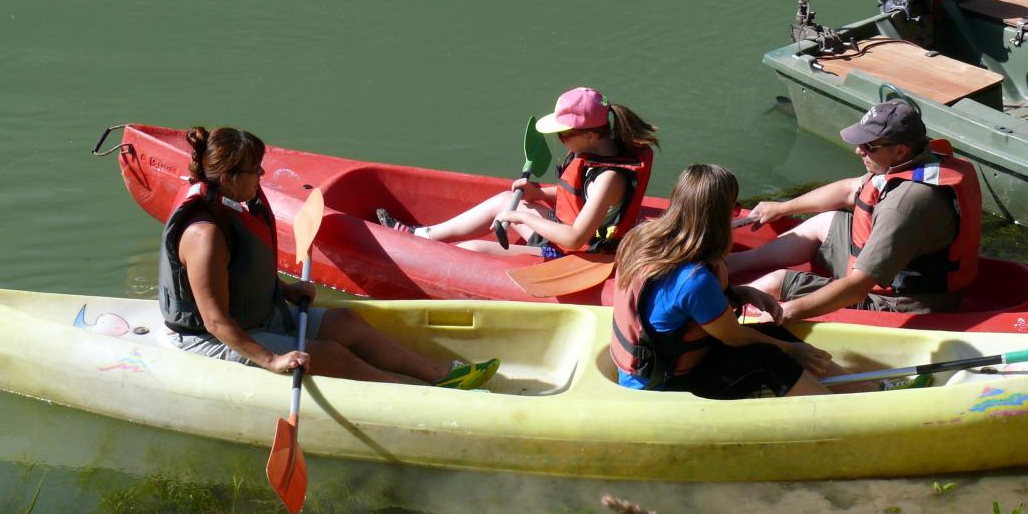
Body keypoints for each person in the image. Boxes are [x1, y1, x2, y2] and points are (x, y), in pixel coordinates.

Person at [159, 126, 498, 388]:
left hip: (252, 317)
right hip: (207, 338)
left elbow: (240, 272)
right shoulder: (205, 236)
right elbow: (216, 321)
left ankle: (438, 374)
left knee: (347, 323)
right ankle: (409, 396)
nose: (261, 177)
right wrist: (271, 361)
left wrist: (284, 290)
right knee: (332, 356)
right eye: (256, 171)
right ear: (230, 178)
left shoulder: (231, 206)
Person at [726, 100, 981, 321]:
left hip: (902, 302)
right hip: (900, 263)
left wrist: (789, 311)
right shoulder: (918, 159)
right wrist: (783, 207)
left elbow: (859, 287)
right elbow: (850, 190)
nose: (859, 150)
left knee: (776, 282)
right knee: (826, 221)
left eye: (869, 146)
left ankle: (719, 309)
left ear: (900, 150)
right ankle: (733, 264)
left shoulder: (902, 206)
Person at [609, 163, 834, 398]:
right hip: (659, 386)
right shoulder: (694, 280)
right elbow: (734, 337)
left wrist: (742, 293)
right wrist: (792, 350)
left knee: (772, 333)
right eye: (734, 208)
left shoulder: (639, 239)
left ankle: (858, 392)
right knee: (769, 358)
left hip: (650, 366)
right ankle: (839, 415)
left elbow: (674, 305)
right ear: (719, 215)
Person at [376, 87, 658, 256]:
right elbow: (579, 197)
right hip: (566, 232)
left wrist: (521, 216)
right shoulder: (604, 149)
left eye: (563, 135)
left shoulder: (608, 178)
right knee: (503, 199)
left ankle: (422, 253)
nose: (559, 140)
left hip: (578, 253)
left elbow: (575, 238)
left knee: (473, 250)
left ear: (591, 136)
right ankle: (421, 236)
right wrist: (539, 192)